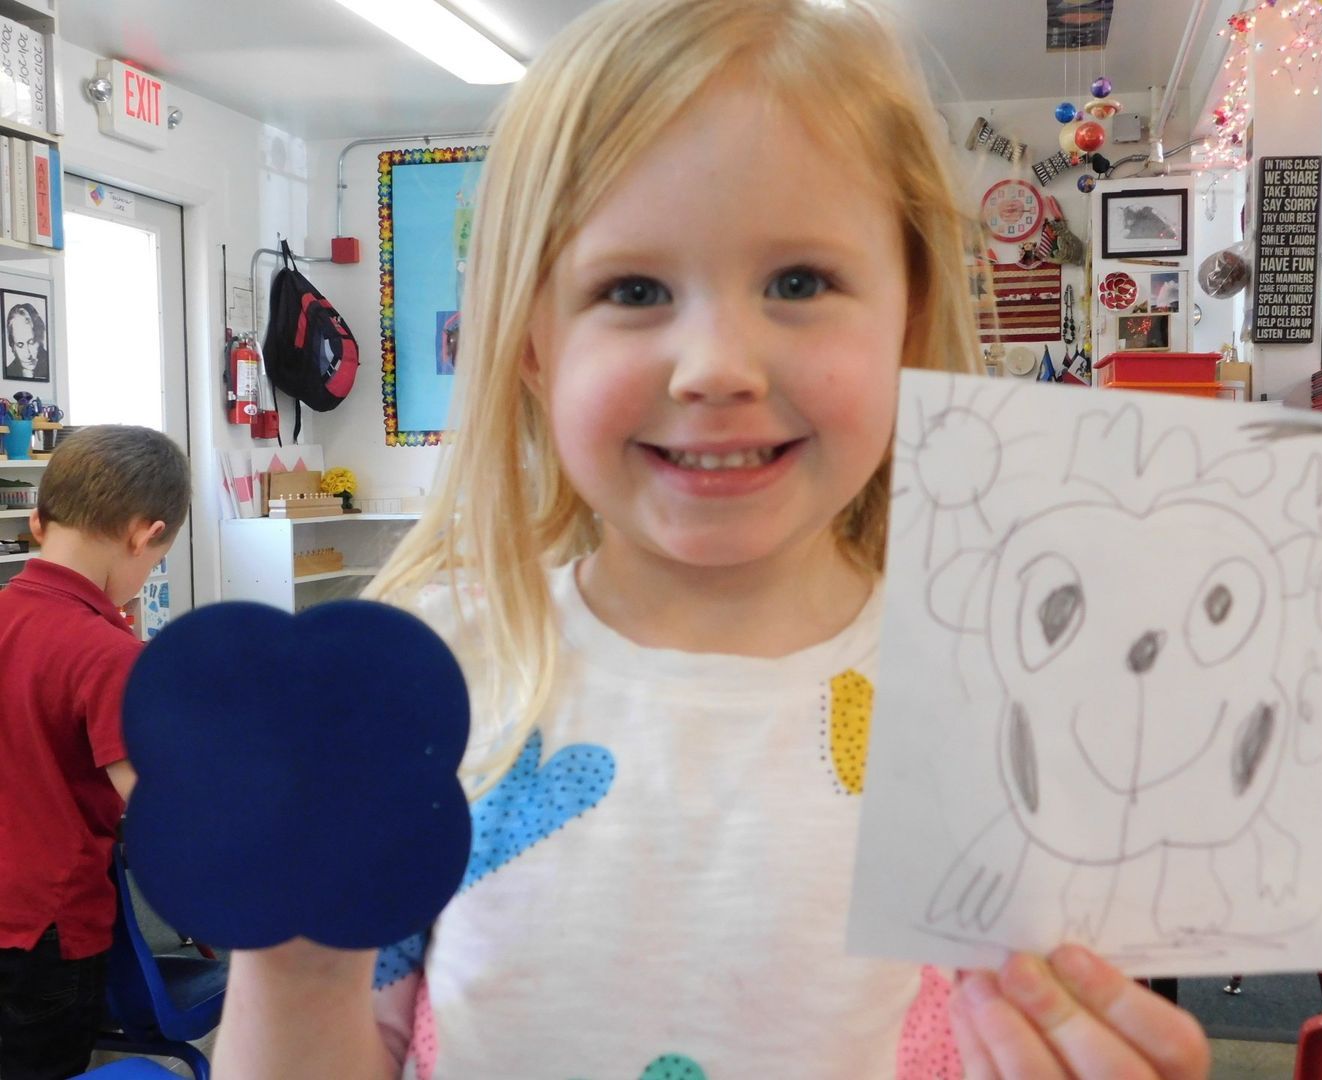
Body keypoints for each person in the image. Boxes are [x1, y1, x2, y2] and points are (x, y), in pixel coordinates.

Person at [213, 1, 1210, 1077]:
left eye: (799, 282)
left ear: (908, 320)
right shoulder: (436, 678)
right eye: (633, 290)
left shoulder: (996, 701)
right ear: (536, 344)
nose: (717, 365)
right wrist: (294, 961)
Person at [0, 425, 189, 1080]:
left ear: (37, 521)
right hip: (48, 930)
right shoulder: (108, 655)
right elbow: (161, 811)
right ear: (144, 535)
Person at [4, 304, 48, 382]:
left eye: (31, 342)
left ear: (39, 337)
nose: (28, 354)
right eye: (20, 345)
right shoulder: (8, 372)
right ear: (13, 346)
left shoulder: (52, 366)